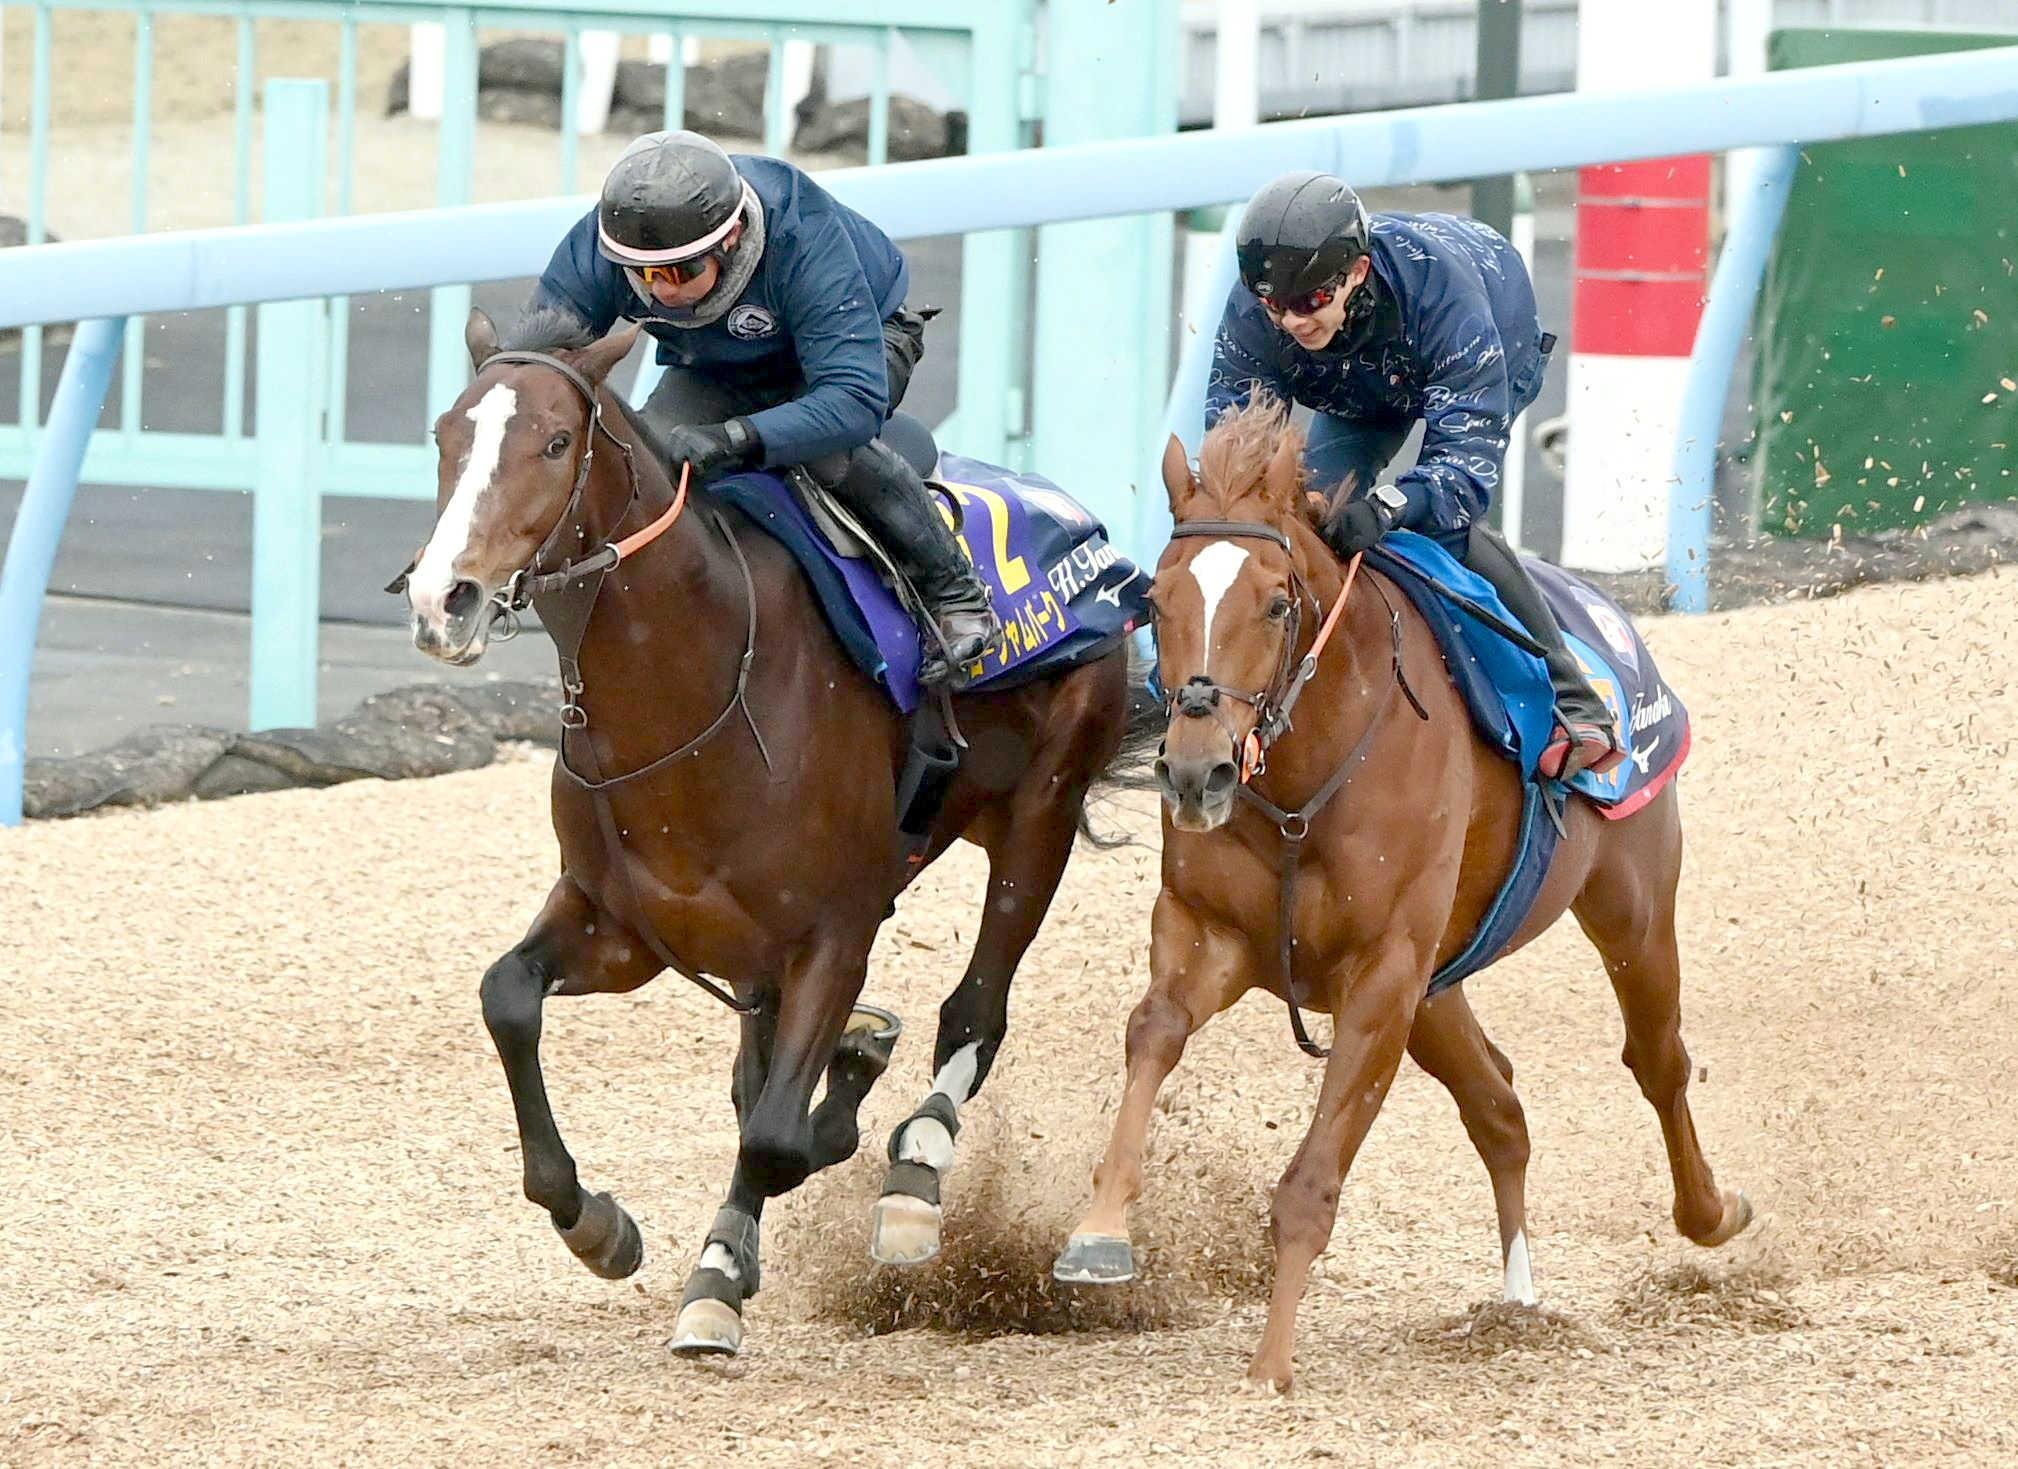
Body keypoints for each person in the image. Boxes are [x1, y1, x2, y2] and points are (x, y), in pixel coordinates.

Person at [528, 130, 1001, 685]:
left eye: (678, 273)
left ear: (731, 238)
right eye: (642, 275)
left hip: (858, 342)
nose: (659, 293)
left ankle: (955, 595)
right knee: (651, 460)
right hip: (719, 360)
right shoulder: (606, 243)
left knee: (824, 452)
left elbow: (850, 402)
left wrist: (733, 437)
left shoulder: (804, 233)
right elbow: (538, 374)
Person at [1208, 170, 1623, 780]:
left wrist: (1388, 508)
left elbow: (1463, 473)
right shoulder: (1256, 309)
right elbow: (1236, 456)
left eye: (1312, 301)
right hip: (1357, 386)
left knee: (1440, 530)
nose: (1294, 322)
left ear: (1356, 271)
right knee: (1310, 517)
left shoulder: (1444, 295)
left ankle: (1573, 695)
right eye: (1278, 307)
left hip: (1484, 337)